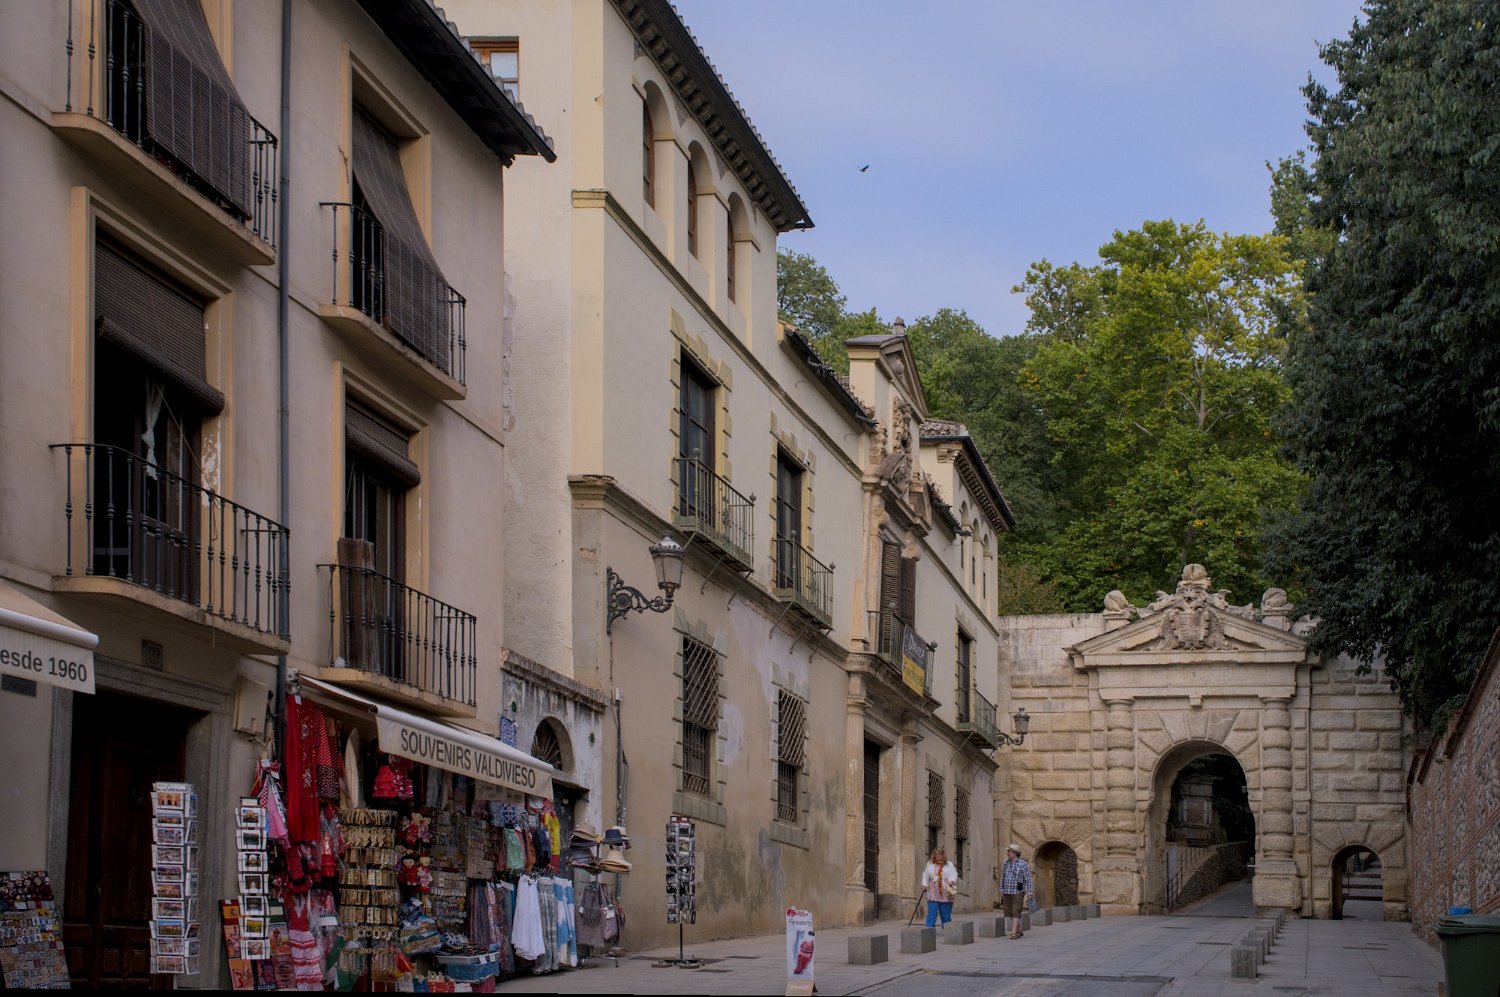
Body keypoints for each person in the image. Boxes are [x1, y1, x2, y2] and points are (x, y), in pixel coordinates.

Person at [999, 843, 1034, 939]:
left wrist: (1030, 892)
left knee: (1016, 910)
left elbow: (1028, 879)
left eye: (1009, 851)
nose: (1007, 853)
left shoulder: (1023, 864)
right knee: (1010, 912)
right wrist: (1001, 889)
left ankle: (1013, 932)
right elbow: (1003, 877)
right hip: (1006, 891)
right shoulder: (1006, 863)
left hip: (1018, 892)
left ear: (1014, 853)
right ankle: (1019, 929)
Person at [920, 847, 958, 928]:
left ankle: (948, 932)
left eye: (940, 853)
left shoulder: (949, 864)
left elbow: (954, 874)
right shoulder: (930, 864)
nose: (937, 855)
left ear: (943, 855)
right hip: (933, 891)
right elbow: (925, 875)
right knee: (932, 913)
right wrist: (924, 885)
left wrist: (951, 881)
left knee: (945, 914)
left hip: (945, 891)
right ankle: (929, 932)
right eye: (936, 853)